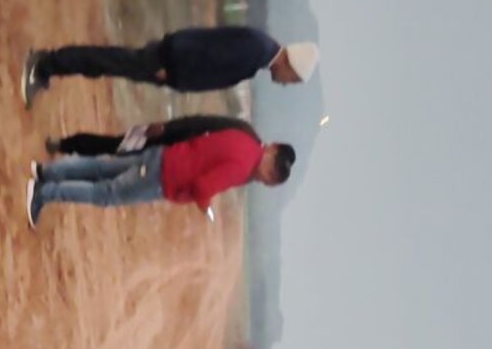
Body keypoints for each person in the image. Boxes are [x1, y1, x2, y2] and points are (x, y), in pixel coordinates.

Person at [25, 127, 295, 229]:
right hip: (164, 177)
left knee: (103, 167)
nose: (266, 175)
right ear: (271, 150)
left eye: (271, 178)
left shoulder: (245, 139)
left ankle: (47, 172)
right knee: (105, 193)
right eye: (271, 169)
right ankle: (43, 192)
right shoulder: (242, 167)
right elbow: (203, 187)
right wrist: (206, 208)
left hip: (165, 156)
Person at [21, 26, 319, 108]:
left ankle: (51, 64)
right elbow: (207, 52)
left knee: (109, 63)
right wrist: (172, 66)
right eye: (291, 79)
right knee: (106, 61)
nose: (285, 83)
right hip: (170, 61)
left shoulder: (259, 54)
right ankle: (45, 64)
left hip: (172, 63)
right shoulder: (256, 50)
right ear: (291, 66)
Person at [45, 114, 261, 157]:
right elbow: (200, 122)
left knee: (115, 165)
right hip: (167, 140)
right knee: (115, 146)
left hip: (169, 164)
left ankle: (66, 157)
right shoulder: (244, 133)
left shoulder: (246, 170)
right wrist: (167, 127)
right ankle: (64, 145)